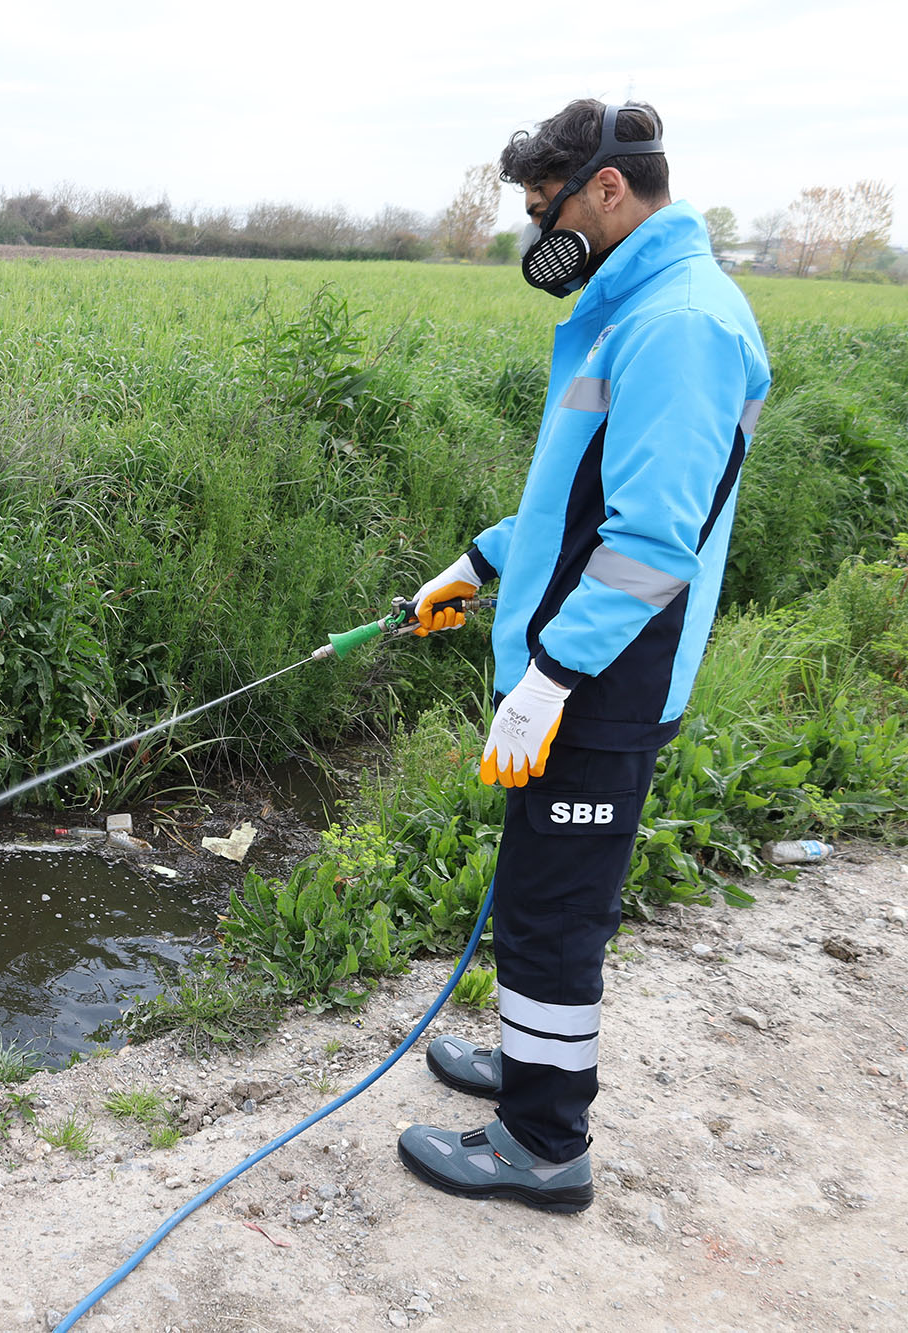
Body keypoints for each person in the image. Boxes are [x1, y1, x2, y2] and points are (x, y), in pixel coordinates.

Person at [394, 100, 772, 1213]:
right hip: (572, 667)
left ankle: (541, 1144)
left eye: (539, 209)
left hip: (605, 678)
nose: (533, 234)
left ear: (604, 191)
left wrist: (550, 679)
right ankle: (529, 1069)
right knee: (531, 894)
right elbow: (578, 505)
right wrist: (478, 561)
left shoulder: (681, 323)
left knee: (555, 914)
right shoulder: (636, 306)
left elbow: (652, 540)